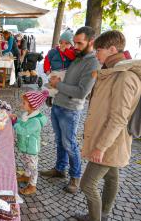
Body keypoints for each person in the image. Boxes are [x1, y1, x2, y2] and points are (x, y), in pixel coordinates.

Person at [74, 31, 141, 221]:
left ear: (113, 49)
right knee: (112, 177)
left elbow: (119, 118)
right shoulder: (114, 72)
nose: (97, 55)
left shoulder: (124, 77)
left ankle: (96, 218)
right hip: (111, 139)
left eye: (100, 50)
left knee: (87, 184)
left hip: (108, 141)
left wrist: (101, 147)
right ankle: (103, 213)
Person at [40, 26, 100, 194]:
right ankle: (60, 169)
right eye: (75, 43)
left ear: (91, 42)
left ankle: (75, 177)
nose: (75, 46)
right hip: (58, 104)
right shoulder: (78, 56)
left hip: (71, 109)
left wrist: (57, 84)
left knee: (69, 143)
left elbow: (82, 92)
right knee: (60, 141)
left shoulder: (92, 62)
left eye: (80, 43)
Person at [14, 90, 48, 195]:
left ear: (32, 105)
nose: (21, 104)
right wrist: (16, 119)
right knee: (25, 162)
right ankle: (26, 175)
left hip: (31, 148)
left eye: (24, 103)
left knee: (33, 167)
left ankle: (32, 185)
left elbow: (23, 131)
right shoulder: (27, 115)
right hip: (25, 146)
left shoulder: (35, 121)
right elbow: (22, 123)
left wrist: (15, 124)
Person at [43, 30, 76, 106]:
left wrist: (65, 51)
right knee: (54, 81)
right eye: (61, 43)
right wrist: (47, 69)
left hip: (66, 71)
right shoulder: (54, 51)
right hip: (55, 71)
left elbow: (73, 57)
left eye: (66, 43)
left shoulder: (72, 51)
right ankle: (50, 96)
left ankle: (65, 95)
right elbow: (47, 59)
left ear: (71, 44)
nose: (63, 45)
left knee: (66, 81)